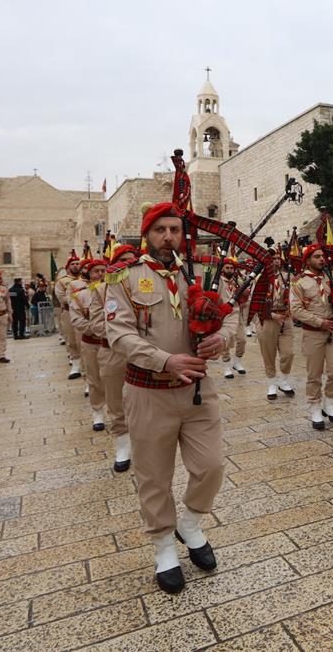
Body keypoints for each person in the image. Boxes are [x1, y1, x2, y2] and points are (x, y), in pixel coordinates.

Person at [105, 202, 233, 594]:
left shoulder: (202, 274)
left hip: (197, 391)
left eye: (175, 230)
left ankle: (190, 522)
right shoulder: (125, 277)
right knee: (154, 478)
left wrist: (221, 338)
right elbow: (119, 334)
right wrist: (164, 359)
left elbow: (233, 318)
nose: (168, 237)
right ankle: (164, 546)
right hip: (148, 393)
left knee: (211, 466)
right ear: (147, 234)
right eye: (160, 229)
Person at [290, 243, 333, 430]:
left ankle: (329, 401)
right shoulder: (299, 282)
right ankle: (315, 407)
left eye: (322, 256)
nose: (321, 259)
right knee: (314, 373)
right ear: (308, 260)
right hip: (313, 333)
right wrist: (320, 322)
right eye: (316, 256)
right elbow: (295, 309)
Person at [90, 243, 140, 471]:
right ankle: (122, 444)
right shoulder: (101, 290)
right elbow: (97, 323)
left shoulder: (144, 285)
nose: (128, 263)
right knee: (115, 400)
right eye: (124, 259)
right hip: (113, 352)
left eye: (133, 259)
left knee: (144, 400)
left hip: (142, 352)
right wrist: (122, 335)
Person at [70, 258, 109, 432]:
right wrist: (96, 329)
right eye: (96, 271)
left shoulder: (115, 292)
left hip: (112, 344)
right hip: (92, 343)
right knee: (94, 380)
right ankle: (98, 412)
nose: (100, 274)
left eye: (103, 270)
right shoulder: (80, 295)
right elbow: (77, 320)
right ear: (89, 273)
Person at [254, 254, 295, 401]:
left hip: (286, 320)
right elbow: (255, 302)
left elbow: (294, 297)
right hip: (267, 319)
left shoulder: (287, 277)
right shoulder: (260, 278)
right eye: (273, 258)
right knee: (269, 354)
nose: (276, 261)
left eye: (278, 258)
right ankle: (271, 383)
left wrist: (292, 309)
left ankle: (283, 381)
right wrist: (271, 315)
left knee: (288, 353)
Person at [218, 257, 249, 379]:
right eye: (227, 268)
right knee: (225, 341)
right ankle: (226, 366)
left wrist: (244, 298)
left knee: (242, 339)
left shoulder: (238, 281)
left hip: (237, 313)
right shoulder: (219, 281)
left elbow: (246, 295)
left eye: (231, 268)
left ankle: (237, 362)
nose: (230, 270)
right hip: (223, 314)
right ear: (223, 268)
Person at [55, 253, 84, 378]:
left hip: (85, 313)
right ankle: (76, 365)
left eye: (78, 264)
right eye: (73, 264)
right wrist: (80, 297)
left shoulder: (85, 280)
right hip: (69, 312)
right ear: (68, 267)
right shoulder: (62, 282)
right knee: (72, 339)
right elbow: (62, 299)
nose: (76, 266)